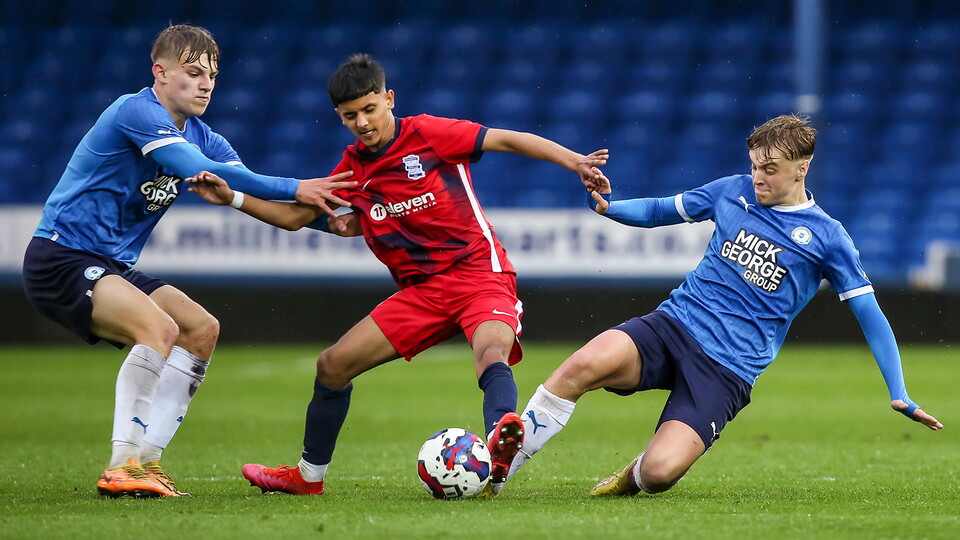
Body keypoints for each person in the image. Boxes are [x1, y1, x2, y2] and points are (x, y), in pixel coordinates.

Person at [185, 53, 608, 495]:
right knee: (332, 366)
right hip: (422, 294)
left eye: (369, 109)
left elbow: (509, 140)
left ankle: (500, 442)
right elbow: (296, 217)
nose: (363, 122)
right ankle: (308, 478)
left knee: (491, 352)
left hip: (479, 273)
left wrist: (574, 161)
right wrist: (233, 198)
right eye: (350, 116)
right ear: (339, 117)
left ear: (389, 98)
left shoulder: (429, 134)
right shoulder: (352, 171)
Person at [491, 114, 943, 498]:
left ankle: (634, 473)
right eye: (754, 166)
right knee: (578, 367)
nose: (759, 177)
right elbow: (657, 211)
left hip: (728, 370)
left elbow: (871, 316)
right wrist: (609, 208)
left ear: (802, 168)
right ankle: (499, 469)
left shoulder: (828, 238)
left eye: (770, 168)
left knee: (660, 474)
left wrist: (898, 391)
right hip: (673, 326)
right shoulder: (733, 191)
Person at [21, 24, 355, 498]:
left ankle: (149, 461)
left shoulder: (204, 138)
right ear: (159, 72)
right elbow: (216, 173)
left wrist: (345, 219)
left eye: (212, 77)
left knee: (201, 329)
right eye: (193, 72)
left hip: (110, 264)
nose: (205, 85)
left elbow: (265, 202)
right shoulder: (135, 110)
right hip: (62, 255)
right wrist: (297, 185)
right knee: (159, 329)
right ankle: (122, 464)